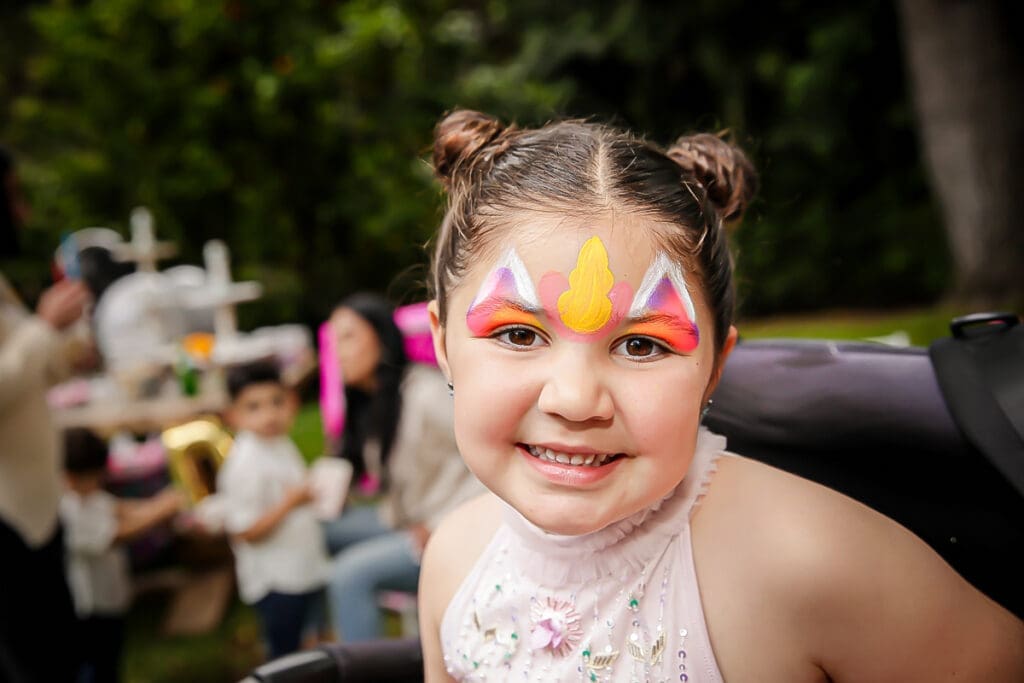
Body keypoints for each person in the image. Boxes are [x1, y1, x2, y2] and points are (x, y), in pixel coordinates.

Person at [417, 110, 1024, 682]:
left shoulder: (810, 563)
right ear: (443, 343)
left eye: (641, 346)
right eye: (519, 334)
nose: (575, 400)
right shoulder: (451, 563)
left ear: (714, 367)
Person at [322, 292, 482, 642]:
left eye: (348, 337)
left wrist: (439, 525)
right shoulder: (372, 403)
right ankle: (304, 644)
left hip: (446, 531)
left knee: (349, 575)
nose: (338, 352)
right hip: (402, 521)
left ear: (380, 337)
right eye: (334, 341)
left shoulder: (425, 393)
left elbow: (491, 461)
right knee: (313, 528)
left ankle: (363, 667)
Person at [1, 145, 92, 683]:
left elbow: (31, 373)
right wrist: (41, 328)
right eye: (10, 197)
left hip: (36, 506)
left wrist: (68, 346)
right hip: (7, 517)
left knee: (55, 650)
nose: (22, 213)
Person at [217, 360, 330, 659]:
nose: (269, 415)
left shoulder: (278, 443)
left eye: (276, 403)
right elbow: (244, 530)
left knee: (309, 648)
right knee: (284, 657)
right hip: (277, 581)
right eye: (253, 407)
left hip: (302, 567)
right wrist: (291, 502)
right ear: (233, 416)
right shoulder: (245, 463)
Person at [60, 427, 183, 683]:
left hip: (111, 597)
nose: (97, 483)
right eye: (91, 478)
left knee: (111, 661)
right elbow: (115, 535)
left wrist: (160, 504)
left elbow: (120, 509)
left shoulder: (90, 495)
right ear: (69, 477)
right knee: (94, 668)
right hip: (88, 607)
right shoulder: (66, 509)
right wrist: (161, 510)